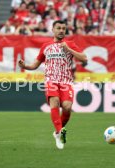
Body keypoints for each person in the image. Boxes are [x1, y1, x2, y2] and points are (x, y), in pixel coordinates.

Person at [18, 20, 87, 150]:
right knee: (54, 101)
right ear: (53, 30)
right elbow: (35, 65)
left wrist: (69, 49)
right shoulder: (46, 46)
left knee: (67, 107)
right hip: (51, 80)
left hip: (66, 81)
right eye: (59, 28)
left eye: (63, 28)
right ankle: (60, 132)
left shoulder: (70, 44)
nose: (61, 30)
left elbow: (84, 58)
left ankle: (57, 133)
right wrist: (25, 66)